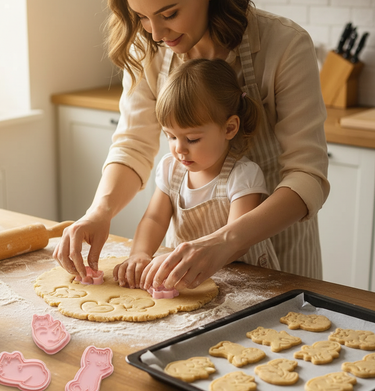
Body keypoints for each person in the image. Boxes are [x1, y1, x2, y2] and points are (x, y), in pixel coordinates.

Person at [53, 0, 329, 289]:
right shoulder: (147, 45)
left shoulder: (284, 44)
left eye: (169, 14)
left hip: (279, 253)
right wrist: (100, 211)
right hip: (186, 265)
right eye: (142, 17)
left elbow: (307, 175)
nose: (156, 33)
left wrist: (224, 241)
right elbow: (133, 144)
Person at [113, 58, 280, 290]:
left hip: (240, 283)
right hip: (185, 281)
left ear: (229, 128)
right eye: (171, 136)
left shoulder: (243, 176)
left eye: (192, 139)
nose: (179, 149)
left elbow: (238, 242)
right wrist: (140, 253)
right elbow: (154, 218)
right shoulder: (170, 169)